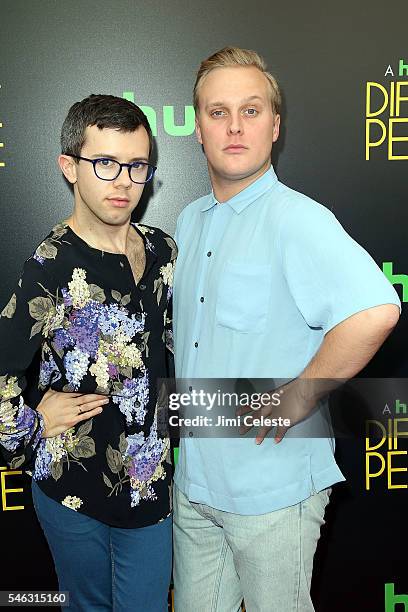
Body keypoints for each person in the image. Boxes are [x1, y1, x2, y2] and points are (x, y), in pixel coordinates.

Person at [172, 47, 401, 611]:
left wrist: (301, 393)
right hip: (195, 484)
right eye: (217, 111)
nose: (233, 126)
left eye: (250, 110)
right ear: (196, 127)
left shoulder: (299, 220)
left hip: (271, 492)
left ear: (275, 126)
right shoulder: (189, 218)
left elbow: (376, 308)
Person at [0, 94, 176, 611]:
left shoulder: (165, 249)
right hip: (71, 487)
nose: (123, 180)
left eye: (137, 166)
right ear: (69, 168)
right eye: (105, 164)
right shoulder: (50, 263)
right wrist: (32, 422)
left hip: (150, 482)